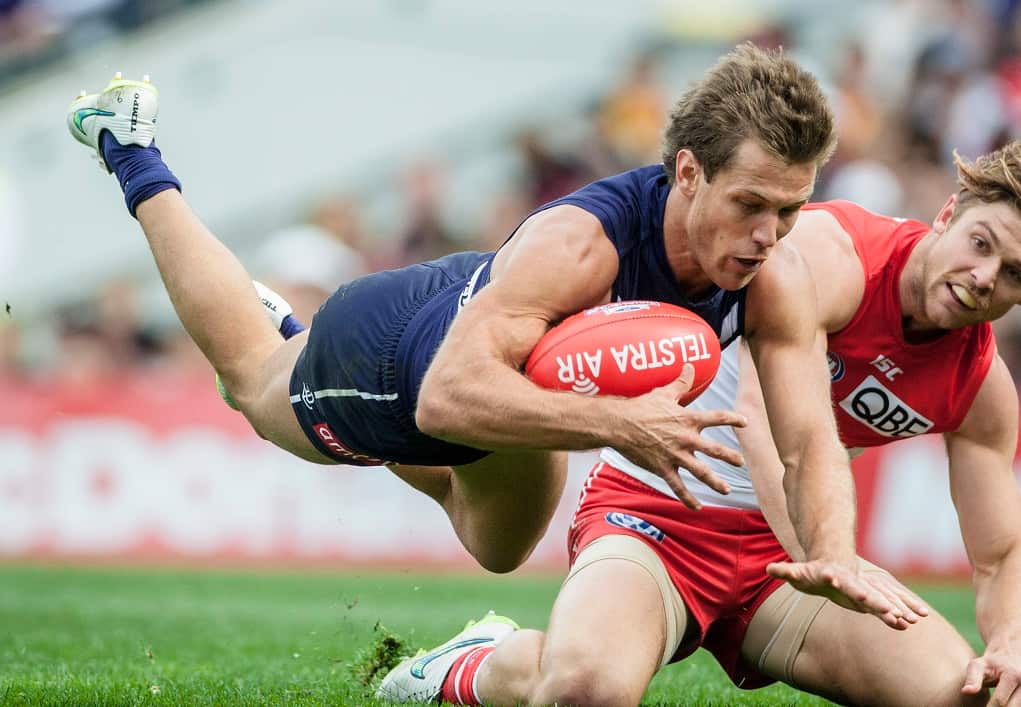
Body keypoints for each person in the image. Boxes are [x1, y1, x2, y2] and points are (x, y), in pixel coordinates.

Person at [66, 45, 916, 618]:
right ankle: (130, 147)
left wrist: (838, 554)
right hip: (400, 350)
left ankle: (294, 339)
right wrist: (624, 425)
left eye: (790, 209)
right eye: (750, 204)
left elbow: (807, 439)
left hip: (504, 347)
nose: (770, 233)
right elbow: (445, 397)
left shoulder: (767, 270)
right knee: (252, 384)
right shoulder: (582, 243)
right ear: (687, 174)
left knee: (497, 549)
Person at [379, 142, 1021, 706]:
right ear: (947, 214)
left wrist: (1009, 644)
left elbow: (999, 554)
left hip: (783, 554)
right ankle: (476, 661)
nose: (984, 278)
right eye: (981, 243)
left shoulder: (982, 389)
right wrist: (827, 556)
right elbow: (771, 427)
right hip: (658, 511)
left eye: (1013, 272)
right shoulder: (833, 258)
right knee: (585, 691)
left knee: (968, 695)